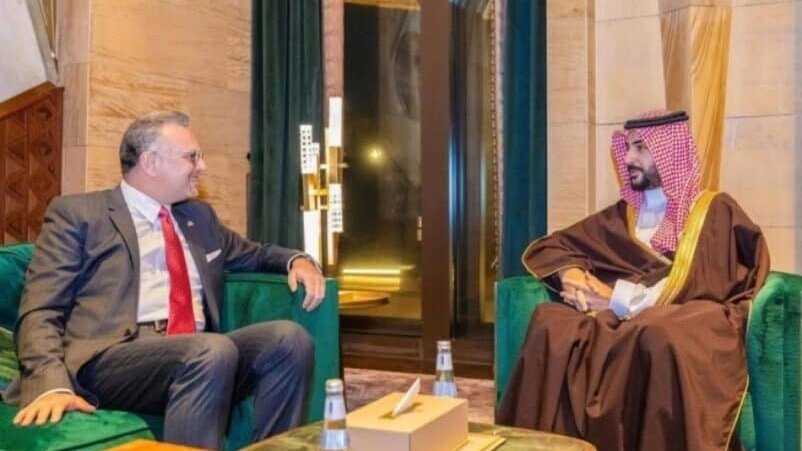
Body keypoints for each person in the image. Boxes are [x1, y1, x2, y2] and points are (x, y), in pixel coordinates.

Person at [1, 111, 327, 449]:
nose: (202, 167)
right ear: (151, 162)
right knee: (209, 349)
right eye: (192, 157)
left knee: (288, 339)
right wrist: (50, 384)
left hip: (198, 355)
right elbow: (41, 307)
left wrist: (297, 260)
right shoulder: (80, 214)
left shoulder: (197, 216)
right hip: (109, 358)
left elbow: (254, 254)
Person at [497, 110, 769, 451]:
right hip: (622, 320)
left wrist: (615, 298)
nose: (628, 159)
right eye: (627, 148)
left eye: (640, 148)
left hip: (692, 315)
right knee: (551, 321)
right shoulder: (621, 216)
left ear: (671, 151)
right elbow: (553, 246)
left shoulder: (713, 211)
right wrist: (573, 276)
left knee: (658, 332)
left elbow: (706, 282)